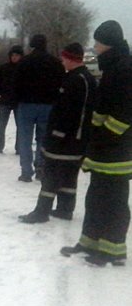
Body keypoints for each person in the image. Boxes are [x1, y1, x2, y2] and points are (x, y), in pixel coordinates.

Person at [61, 20, 132, 266]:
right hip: (105, 147)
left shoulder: (124, 69)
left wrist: (103, 139)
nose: (94, 46)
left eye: (98, 42)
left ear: (108, 43)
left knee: (114, 201)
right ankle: (91, 242)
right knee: (96, 197)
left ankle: (113, 250)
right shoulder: (114, 65)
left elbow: (123, 114)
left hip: (116, 150)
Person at [18, 42, 96, 223]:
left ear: (70, 58)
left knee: (51, 173)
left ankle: (41, 211)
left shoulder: (79, 80)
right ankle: (65, 209)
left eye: (64, 58)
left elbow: (71, 112)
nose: (62, 62)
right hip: (73, 139)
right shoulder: (79, 77)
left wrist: (57, 134)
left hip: (66, 139)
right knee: (68, 174)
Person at [14, 34, 65, 182]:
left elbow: (16, 83)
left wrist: (18, 99)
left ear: (31, 45)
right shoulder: (55, 63)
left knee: (25, 139)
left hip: (26, 105)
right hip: (48, 105)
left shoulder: (24, 62)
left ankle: (26, 171)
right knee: (43, 138)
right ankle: (41, 168)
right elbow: (61, 83)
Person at [0, 45, 24, 154]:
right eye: (12, 55)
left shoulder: (24, 68)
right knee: (1, 126)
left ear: (21, 56)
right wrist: (1, 92)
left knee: (20, 126)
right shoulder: (4, 68)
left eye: (17, 55)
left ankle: (19, 148)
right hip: (5, 101)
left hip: (19, 102)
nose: (14, 57)